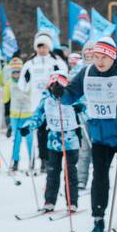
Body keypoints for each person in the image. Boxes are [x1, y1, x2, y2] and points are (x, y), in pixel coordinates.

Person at [62, 37, 117, 232]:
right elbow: (69, 95)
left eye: (103, 57)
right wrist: (59, 92)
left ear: (113, 57)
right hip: (99, 135)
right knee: (99, 178)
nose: (99, 62)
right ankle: (98, 219)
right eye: (95, 57)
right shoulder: (87, 72)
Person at [26, 73, 84, 212]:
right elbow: (37, 116)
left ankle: (72, 202)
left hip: (70, 141)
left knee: (70, 172)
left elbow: (87, 112)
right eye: (53, 86)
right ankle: (49, 201)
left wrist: (81, 108)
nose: (56, 89)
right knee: (52, 172)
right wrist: (27, 127)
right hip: (53, 142)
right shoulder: (46, 99)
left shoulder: (72, 98)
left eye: (59, 87)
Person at [19, 32, 68, 171]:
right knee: (40, 134)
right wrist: (26, 79)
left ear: (49, 47)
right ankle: (43, 161)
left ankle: (54, 160)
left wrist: (59, 82)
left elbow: (65, 79)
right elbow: (22, 85)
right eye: (39, 47)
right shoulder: (30, 63)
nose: (42, 49)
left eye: (44, 46)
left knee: (53, 132)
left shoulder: (56, 62)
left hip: (53, 104)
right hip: (36, 104)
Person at [3, 58, 37, 173]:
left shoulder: (29, 82)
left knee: (29, 139)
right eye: (14, 72)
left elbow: (34, 96)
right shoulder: (8, 83)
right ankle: (15, 161)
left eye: (18, 72)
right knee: (16, 139)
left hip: (27, 114)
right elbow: (5, 100)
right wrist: (6, 117)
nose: (16, 75)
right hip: (15, 115)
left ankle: (31, 161)